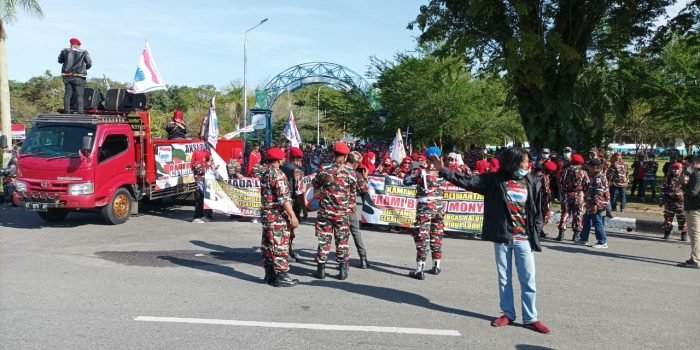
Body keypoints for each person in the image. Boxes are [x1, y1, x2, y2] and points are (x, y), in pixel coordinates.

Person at [433, 147, 551, 334]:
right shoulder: (494, 180)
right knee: (504, 278)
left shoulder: (532, 181)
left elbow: (537, 210)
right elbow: (468, 181)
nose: (527, 165)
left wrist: (535, 232)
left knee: (528, 279)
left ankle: (531, 318)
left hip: (524, 238)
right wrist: (444, 171)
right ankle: (508, 314)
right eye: (523, 162)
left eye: (528, 161)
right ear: (513, 162)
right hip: (503, 236)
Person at [312, 142, 356, 280]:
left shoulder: (324, 169)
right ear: (346, 155)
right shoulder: (351, 173)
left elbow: (315, 184)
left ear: (334, 154)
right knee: (342, 241)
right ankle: (343, 270)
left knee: (324, 240)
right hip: (342, 213)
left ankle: (321, 270)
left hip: (325, 211)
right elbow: (353, 193)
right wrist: (349, 210)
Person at [259, 147, 300, 287]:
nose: (284, 160)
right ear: (277, 160)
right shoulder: (278, 174)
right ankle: (281, 275)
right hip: (276, 215)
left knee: (267, 244)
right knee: (279, 245)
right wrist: (293, 216)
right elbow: (283, 199)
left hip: (266, 214)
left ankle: (269, 274)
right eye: (282, 158)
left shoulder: (264, 172)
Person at [404, 147, 446, 280]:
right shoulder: (443, 171)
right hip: (439, 206)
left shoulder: (421, 171)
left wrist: (413, 168)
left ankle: (419, 269)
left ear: (427, 158)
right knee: (437, 234)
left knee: (422, 236)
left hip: (425, 206)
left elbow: (406, 181)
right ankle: (436, 265)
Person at [577, 159, 610, 248]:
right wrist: (587, 201)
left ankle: (602, 242)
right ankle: (583, 239)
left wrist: (595, 204)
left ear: (596, 167)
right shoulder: (593, 175)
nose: (588, 167)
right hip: (590, 202)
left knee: (597, 222)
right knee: (586, 220)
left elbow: (599, 192)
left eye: (590, 166)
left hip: (598, 203)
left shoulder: (600, 177)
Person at [281, 147, 306, 260]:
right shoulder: (297, 171)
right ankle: (286, 251)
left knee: (282, 228)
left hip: (280, 202)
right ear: (298, 158)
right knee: (290, 228)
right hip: (292, 202)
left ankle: (285, 250)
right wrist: (304, 209)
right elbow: (300, 192)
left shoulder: (281, 167)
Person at [557, 154, 589, 241]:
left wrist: (563, 191)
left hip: (567, 194)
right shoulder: (583, 172)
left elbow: (561, 182)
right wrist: (585, 194)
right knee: (578, 214)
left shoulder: (566, 170)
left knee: (565, 213)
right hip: (579, 194)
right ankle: (576, 234)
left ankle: (561, 233)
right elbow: (587, 184)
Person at [346, 151, 370, 268]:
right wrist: (365, 178)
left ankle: (341, 260)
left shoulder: (336, 171)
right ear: (355, 164)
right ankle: (363, 259)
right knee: (355, 232)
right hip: (350, 209)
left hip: (335, 208)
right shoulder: (356, 175)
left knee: (338, 235)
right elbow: (365, 190)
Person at [58, 38, 92, 114]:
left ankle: (67, 112)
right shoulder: (84, 52)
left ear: (71, 44)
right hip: (79, 76)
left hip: (67, 76)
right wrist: (85, 69)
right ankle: (80, 112)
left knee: (67, 94)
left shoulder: (64, 51)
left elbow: (60, 61)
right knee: (79, 95)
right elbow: (89, 63)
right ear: (78, 45)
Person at [678, 155, 700, 268]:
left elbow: (692, 192)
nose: (690, 165)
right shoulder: (694, 174)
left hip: (694, 208)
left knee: (695, 235)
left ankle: (695, 260)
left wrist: (683, 184)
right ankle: (695, 258)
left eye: (692, 163)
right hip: (696, 207)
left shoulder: (697, 175)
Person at [661, 162, 688, 241]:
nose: (675, 170)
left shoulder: (685, 178)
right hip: (669, 202)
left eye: (677, 169)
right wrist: (661, 199)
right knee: (668, 218)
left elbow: (689, 191)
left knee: (682, 218)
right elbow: (663, 189)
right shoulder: (667, 178)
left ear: (681, 170)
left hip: (681, 202)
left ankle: (684, 234)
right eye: (674, 169)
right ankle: (667, 233)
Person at [190, 148, 212, 223]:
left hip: (207, 183)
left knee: (207, 198)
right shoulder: (197, 163)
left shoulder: (208, 161)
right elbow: (200, 171)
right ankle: (197, 217)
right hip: (199, 184)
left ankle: (207, 215)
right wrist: (206, 165)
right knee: (199, 199)